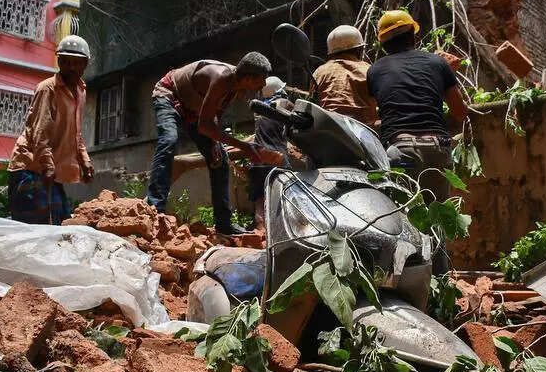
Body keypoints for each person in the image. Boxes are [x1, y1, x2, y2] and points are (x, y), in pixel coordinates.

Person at [145, 53, 281, 235]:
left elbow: (213, 117)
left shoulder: (234, 88)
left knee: (220, 159)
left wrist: (215, 143)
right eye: (261, 80)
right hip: (170, 95)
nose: (263, 85)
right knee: (169, 140)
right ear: (248, 78)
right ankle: (154, 208)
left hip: (194, 108)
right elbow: (204, 126)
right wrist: (245, 146)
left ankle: (224, 224)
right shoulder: (222, 77)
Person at [367, 10, 467, 202]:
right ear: (413, 35)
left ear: (383, 44)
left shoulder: (374, 70)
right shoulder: (438, 62)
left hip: (401, 149)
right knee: (438, 221)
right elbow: (460, 112)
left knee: (405, 217)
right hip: (438, 148)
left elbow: (371, 119)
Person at [7, 35, 95, 224]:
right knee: (38, 228)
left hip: (50, 170)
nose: (71, 67)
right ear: (59, 61)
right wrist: (48, 166)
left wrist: (84, 161)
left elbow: (75, 134)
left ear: (85, 64)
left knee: (60, 222)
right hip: (30, 168)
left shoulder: (81, 90)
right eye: (66, 62)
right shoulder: (47, 89)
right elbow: (40, 132)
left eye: (76, 63)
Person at [248, 76, 293, 233]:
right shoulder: (286, 104)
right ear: (280, 90)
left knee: (259, 201)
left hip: (257, 160)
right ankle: (281, 234)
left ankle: (260, 234)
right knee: (284, 198)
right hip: (276, 159)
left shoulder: (259, 110)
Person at [311, 25, 377, 126]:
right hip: (363, 129)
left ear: (331, 52)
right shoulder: (368, 69)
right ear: (358, 49)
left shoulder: (319, 72)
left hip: (329, 127)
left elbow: (312, 104)